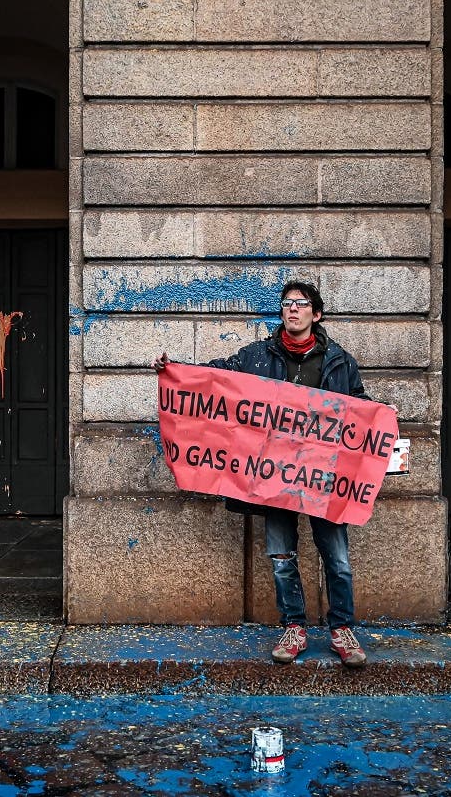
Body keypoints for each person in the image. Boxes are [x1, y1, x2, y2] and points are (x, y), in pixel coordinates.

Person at [153, 280, 379, 668]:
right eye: (287, 303)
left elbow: (359, 408)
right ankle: (294, 627)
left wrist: (380, 422)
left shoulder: (340, 361)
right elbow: (216, 379)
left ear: (316, 313)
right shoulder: (257, 356)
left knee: (337, 559)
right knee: (281, 556)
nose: (292, 309)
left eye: (301, 303)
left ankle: (342, 630)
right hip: (273, 479)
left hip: (324, 480)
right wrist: (175, 371)